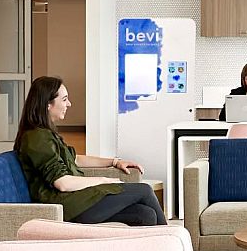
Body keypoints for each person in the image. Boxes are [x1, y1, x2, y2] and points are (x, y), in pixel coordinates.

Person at [15, 77, 166, 226]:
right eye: (64, 99)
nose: (69, 104)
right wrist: (103, 180)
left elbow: (74, 159)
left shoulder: (45, 134)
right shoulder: (37, 138)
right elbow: (63, 183)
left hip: (75, 200)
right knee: (144, 190)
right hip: (67, 205)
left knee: (146, 215)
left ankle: (156, 248)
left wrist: (114, 162)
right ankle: (177, 244)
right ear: (48, 104)